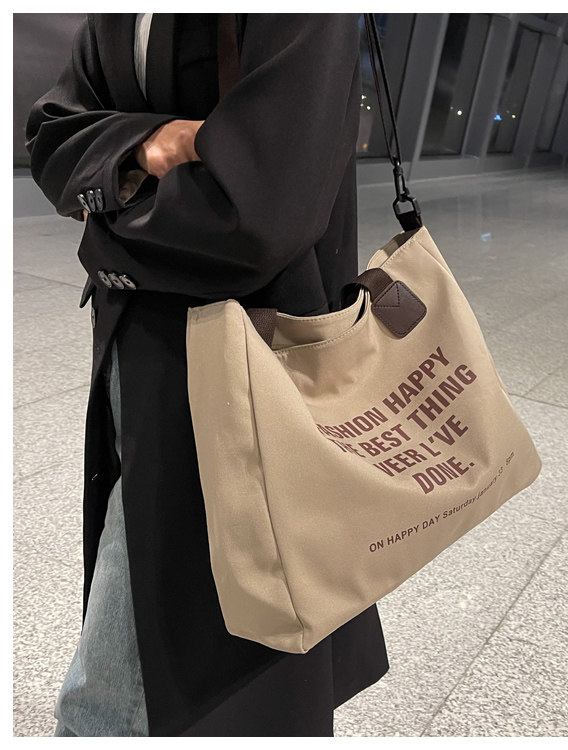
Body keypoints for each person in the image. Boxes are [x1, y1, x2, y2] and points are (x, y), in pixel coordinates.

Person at [25, 13, 389, 737]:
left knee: (142, 660)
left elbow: (261, 210)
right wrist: (151, 144)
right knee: (174, 601)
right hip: (140, 346)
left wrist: (107, 203)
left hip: (255, 355)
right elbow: (51, 136)